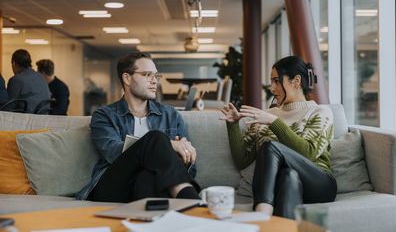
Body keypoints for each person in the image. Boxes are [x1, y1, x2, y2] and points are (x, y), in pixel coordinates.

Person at [220, 56, 336, 219]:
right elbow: (242, 160)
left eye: (276, 81)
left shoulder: (320, 112)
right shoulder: (266, 115)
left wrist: (274, 122)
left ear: (296, 81)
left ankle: (261, 213)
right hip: (283, 184)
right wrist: (232, 125)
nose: (272, 88)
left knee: (270, 146)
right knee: (289, 176)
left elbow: (309, 153)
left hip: (319, 184)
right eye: (271, 82)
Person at [77, 52, 200, 202]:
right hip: (114, 186)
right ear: (127, 78)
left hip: (151, 185)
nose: (154, 81)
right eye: (147, 75)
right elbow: (114, 153)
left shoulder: (171, 115)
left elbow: (190, 169)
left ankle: (146, 221)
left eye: (156, 76)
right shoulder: (104, 116)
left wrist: (182, 158)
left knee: (147, 177)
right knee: (156, 137)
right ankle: (193, 203)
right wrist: (168, 144)